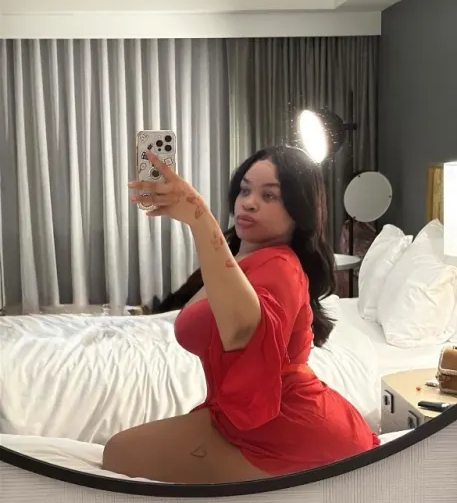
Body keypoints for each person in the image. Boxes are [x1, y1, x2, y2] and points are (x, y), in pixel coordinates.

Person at [102, 145, 380, 482]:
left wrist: (200, 219)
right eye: (245, 190)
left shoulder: (281, 266)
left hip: (289, 426)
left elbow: (240, 331)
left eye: (269, 196)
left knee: (117, 454)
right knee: (119, 454)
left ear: (298, 212)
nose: (248, 203)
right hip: (248, 415)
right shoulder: (241, 260)